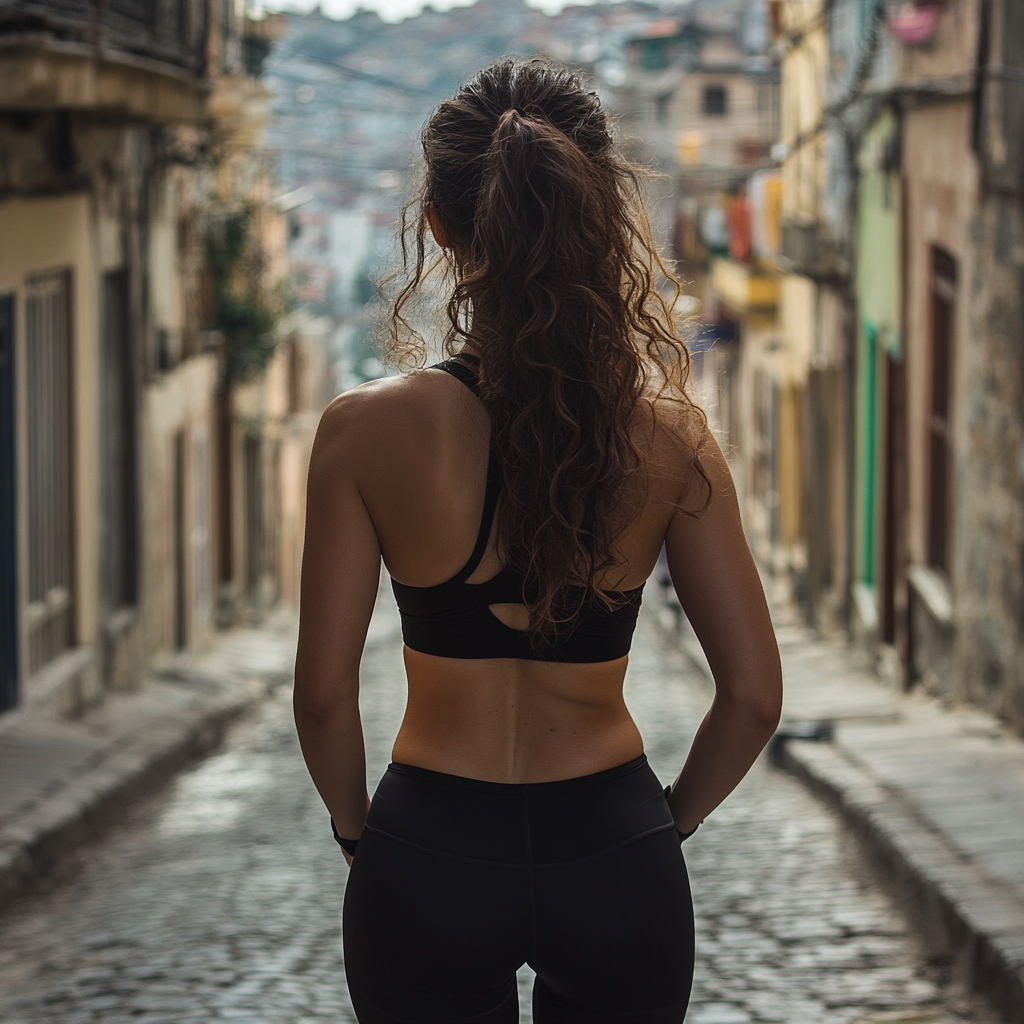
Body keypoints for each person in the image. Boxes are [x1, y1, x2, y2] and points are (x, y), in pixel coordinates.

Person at [293, 58, 782, 1024]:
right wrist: (657, 828)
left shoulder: (363, 429)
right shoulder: (670, 433)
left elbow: (321, 693)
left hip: (428, 847)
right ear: (595, 219)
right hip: (610, 843)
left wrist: (362, 837)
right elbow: (756, 695)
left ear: (438, 225)